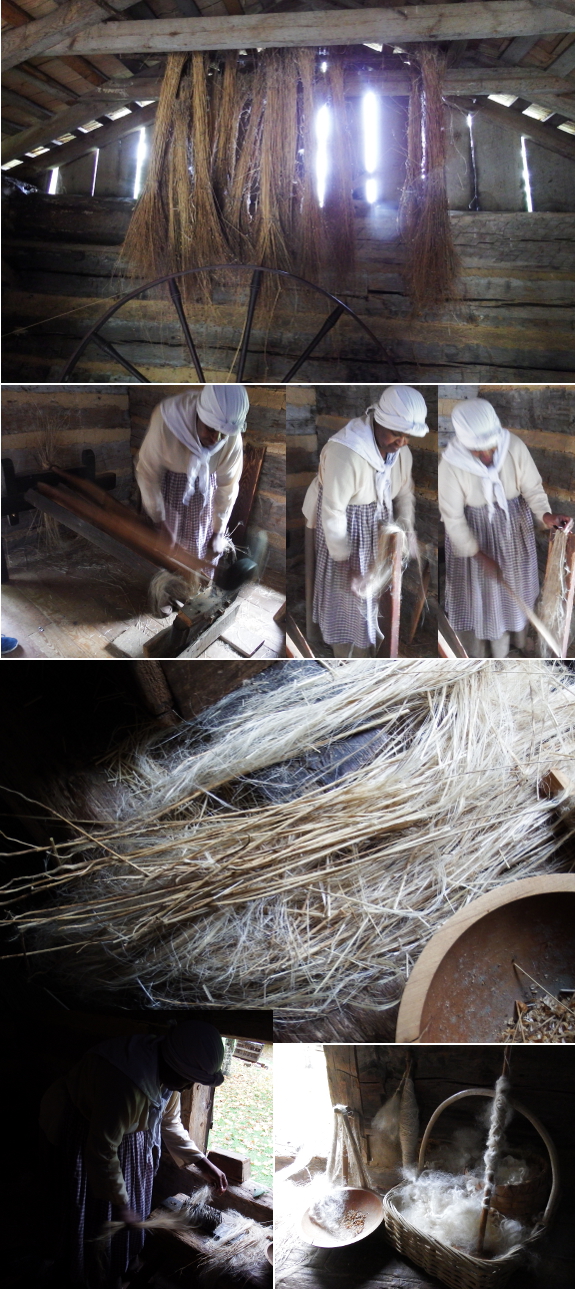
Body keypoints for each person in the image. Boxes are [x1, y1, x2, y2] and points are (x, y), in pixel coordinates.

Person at [39, 1018, 228, 1287]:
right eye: (188, 1080)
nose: (188, 1088)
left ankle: (120, 1263)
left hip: (122, 1136)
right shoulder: (126, 1082)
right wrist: (121, 1204)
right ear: (175, 1066)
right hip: (86, 1129)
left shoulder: (168, 1072)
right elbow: (102, 1150)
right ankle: (90, 1271)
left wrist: (202, 1161)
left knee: (129, 1206)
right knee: (93, 1208)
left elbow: (168, 1120)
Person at [439, 397, 571, 657]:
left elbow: (532, 488)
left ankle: (516, 643)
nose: (487, 455)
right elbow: (453, 518)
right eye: (479, 451)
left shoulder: (514, 446)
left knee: (516, 588)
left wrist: (546, 516)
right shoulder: (450, 465)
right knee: (483, 596)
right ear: (464, 443)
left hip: (514, 531)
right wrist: (478, 555)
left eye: (491, 447)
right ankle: (485, 651)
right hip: (475, 536)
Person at [302, 385, 429, 656]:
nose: (402, 442)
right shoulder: (345, 454)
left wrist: (406, 528)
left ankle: (367, 641)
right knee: (344, 595)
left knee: (372, 592)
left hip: (375, 526)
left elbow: (405, 493)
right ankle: (342, 650)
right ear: (379, 420)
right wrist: (345, 560)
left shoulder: (401, 455)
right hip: (341, 526)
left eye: (407, 436)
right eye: (397, 433)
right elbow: (333, 511)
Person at [135, 385, 249, 561]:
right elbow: (148, 473)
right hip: (165, 489)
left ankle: (192, 587)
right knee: (160, 550)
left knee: (196, 553)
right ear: (198, 415)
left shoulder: (232, 436)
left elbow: (228, 485)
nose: (216, 439)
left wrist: (219, 530)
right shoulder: (167, 420)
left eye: (223, 434)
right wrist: (160, 521)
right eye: (211, 429)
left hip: (203, 497)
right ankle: (158, 585)